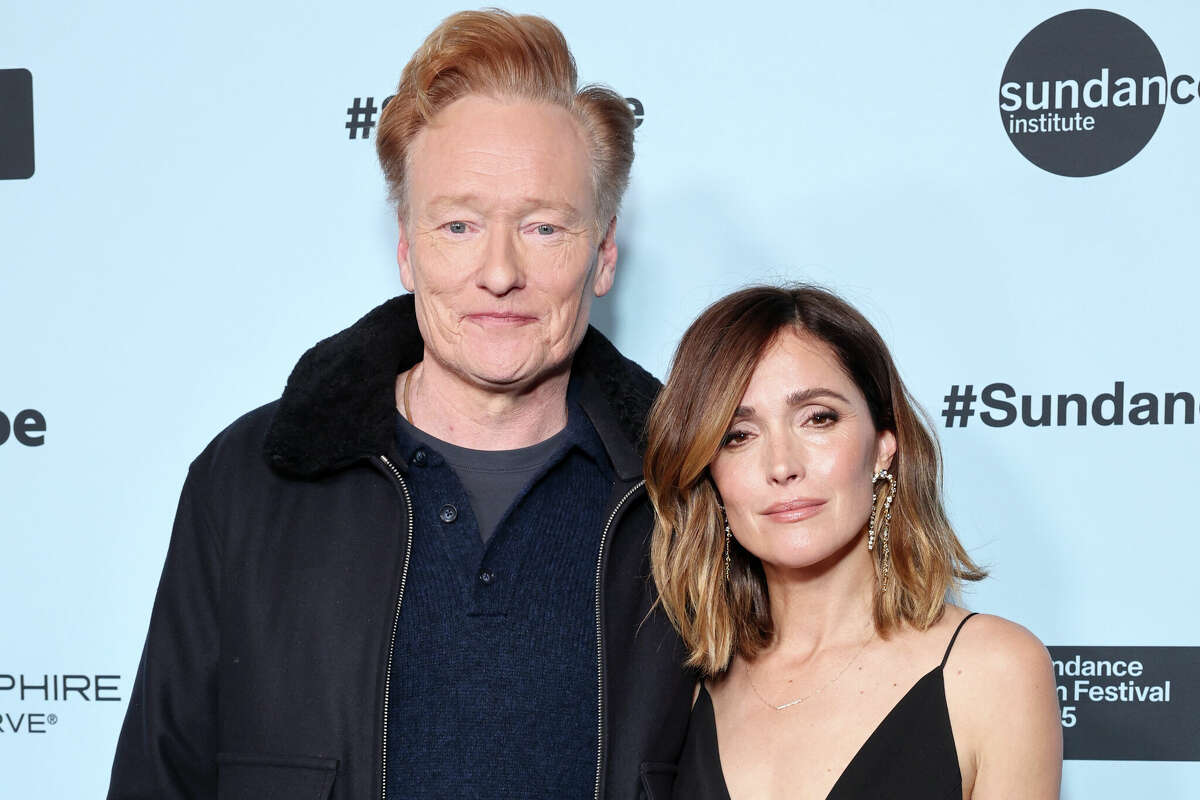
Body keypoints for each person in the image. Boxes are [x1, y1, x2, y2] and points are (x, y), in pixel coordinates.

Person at [106, 10, 691, 800]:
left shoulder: (689, 498)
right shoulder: (248, 484)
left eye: (544, 227)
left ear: (604, 253)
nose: (499, 272)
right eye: (458, 225)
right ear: (408, 249)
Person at [644, 285, 1062, 799]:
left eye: (818, 418)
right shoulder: (682, 683)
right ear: (709, 473)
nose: (782, 466)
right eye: (738, 435)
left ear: (884, 445)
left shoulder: (993, 669)